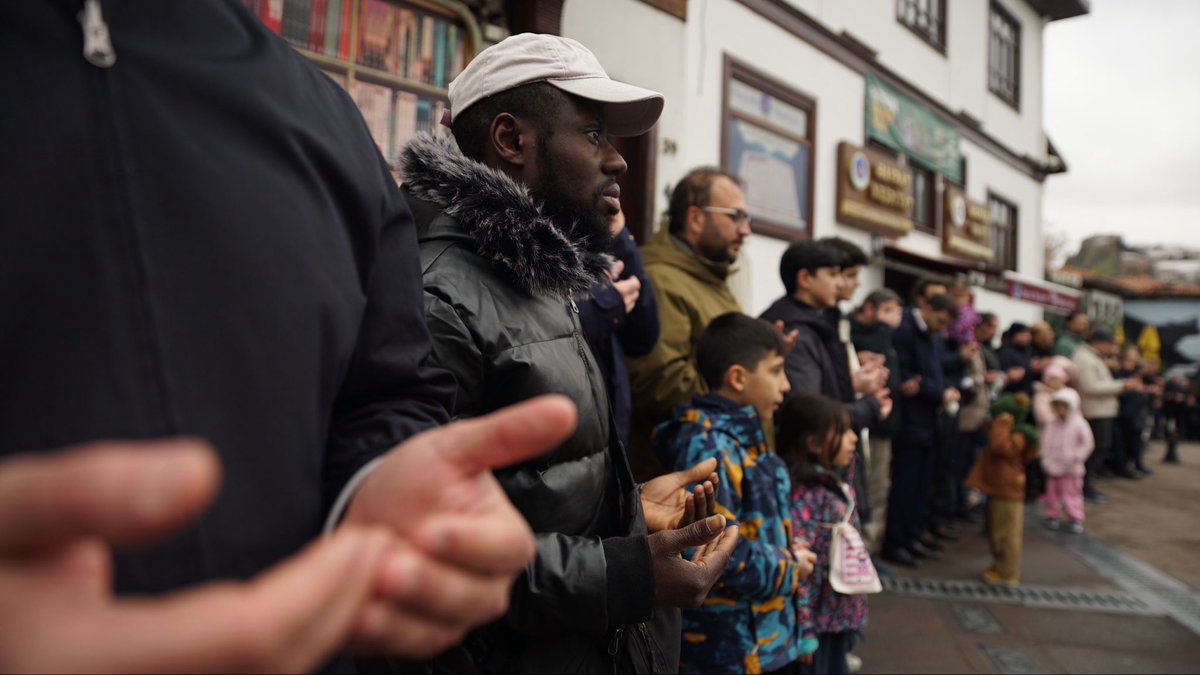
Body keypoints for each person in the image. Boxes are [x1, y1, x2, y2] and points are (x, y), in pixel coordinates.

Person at [0, 3, 559, 670]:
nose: (615, 159)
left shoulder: (324, 118)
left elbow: (387, 389)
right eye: (593, 130)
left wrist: (377, 486)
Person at [400, 33, 738, 672]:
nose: (618, 162)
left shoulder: (537, 279)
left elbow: (527, 489)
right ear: (512, 140)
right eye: (592, 135)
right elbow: (421, 548)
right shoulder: (439, 299)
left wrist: (622, 507)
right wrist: (624, 575)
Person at [652, 313, 815, 674]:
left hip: (765, 639)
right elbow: (710, 546)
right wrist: (788, 567)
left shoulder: (749, 434)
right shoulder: (710, 446)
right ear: (738, 377)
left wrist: (788, 548)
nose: (786, 385)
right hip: (730, 649)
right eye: (775, 371)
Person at [626, 167, 748, 479]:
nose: (745, 230)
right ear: (695, 218)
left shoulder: (708, 276)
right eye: (735, 216)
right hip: (679, 477)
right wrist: (747, 381)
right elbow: (658, 382)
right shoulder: (662, 279)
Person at [779, 392, 869, 675]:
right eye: (842, 432)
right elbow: (801, 570)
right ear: (814, 444)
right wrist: (805, 633)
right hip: (818, 625)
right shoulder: (808, 497)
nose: (853, 438)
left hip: (838, 618)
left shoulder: (834, 484)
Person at [883, 293, 960, 568]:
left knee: (921, 485)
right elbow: (906, 377)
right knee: (905, 486)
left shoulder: (934, 337)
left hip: (930, 423)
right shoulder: (905, 332)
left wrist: (946, 388)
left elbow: (932, 373)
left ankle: (912, 536)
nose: (942, 327)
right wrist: (939, 392)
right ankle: (896, 541)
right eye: (940, 320)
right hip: (911, 424)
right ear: (927, 308)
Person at [578, 207, 660, 447]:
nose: (616, 167)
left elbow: (642, 337)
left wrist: (619, 237)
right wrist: (603, 307)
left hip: (607, 442)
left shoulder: (596, 235)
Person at [965, 395, 1040, 587]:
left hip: (1008, 487)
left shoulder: (1018, 434)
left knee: (1007, 532)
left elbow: (999, 446)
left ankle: (1007, 572)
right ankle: (999, 566)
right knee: (998, 529)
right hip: (999, 485)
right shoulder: (1015, 432)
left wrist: (1001, 422)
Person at [851, 289, 904, 556]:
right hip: (863, 422)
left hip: (882, 422)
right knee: (866, 488)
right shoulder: (853, 332)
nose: (895, 317)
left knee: (878, 487)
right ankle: (860, 553)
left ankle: (868, 550)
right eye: (889, 310)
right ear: (870, 308)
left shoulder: (887, 336)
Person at [1072, 331, 1141, 503]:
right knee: (1094, 450)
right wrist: (1122, 386)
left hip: (1101, 410)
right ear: (1100, 343)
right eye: (1110, 344)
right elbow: (1090, 387)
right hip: (1094, 411)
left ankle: (1085, 486)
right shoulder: (1085, 358)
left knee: (1100, 448)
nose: (1111, 349)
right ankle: (1081, 487)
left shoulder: (1093, 357)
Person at [1035, 385, 1094, 534]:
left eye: (1064, 407)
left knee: (1072, 493)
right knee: (1052, 493)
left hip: (1071, 468)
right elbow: (1045, 442)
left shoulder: (1080, 423)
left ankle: (1075, 517)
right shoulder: (1051, 423)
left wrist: (1077, 457)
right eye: (1058, 407)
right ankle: (1052, 514)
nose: (1061, 410)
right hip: (1053, 466)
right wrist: (1045, 459)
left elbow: (1087, 443)